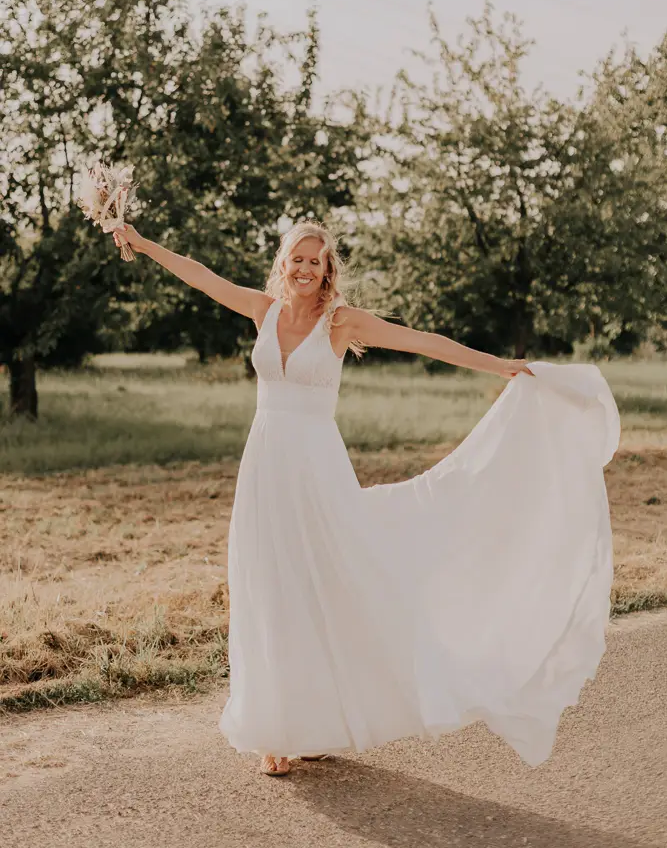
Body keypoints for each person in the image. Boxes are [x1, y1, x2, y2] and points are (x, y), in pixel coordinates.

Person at [114, 220, 619, 777]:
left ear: (327, 270)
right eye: (296, 259)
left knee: (327, 588)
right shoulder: (264, 311)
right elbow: (201, 277)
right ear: (283, 263)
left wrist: (500, 365)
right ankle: (278, 729)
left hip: (316, 471)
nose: (304, 269)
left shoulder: (340, 323)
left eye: (315, 262)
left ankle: (319, 718)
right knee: (269, 590)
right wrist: (142, 243)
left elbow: (423, 341)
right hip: (264, 469)